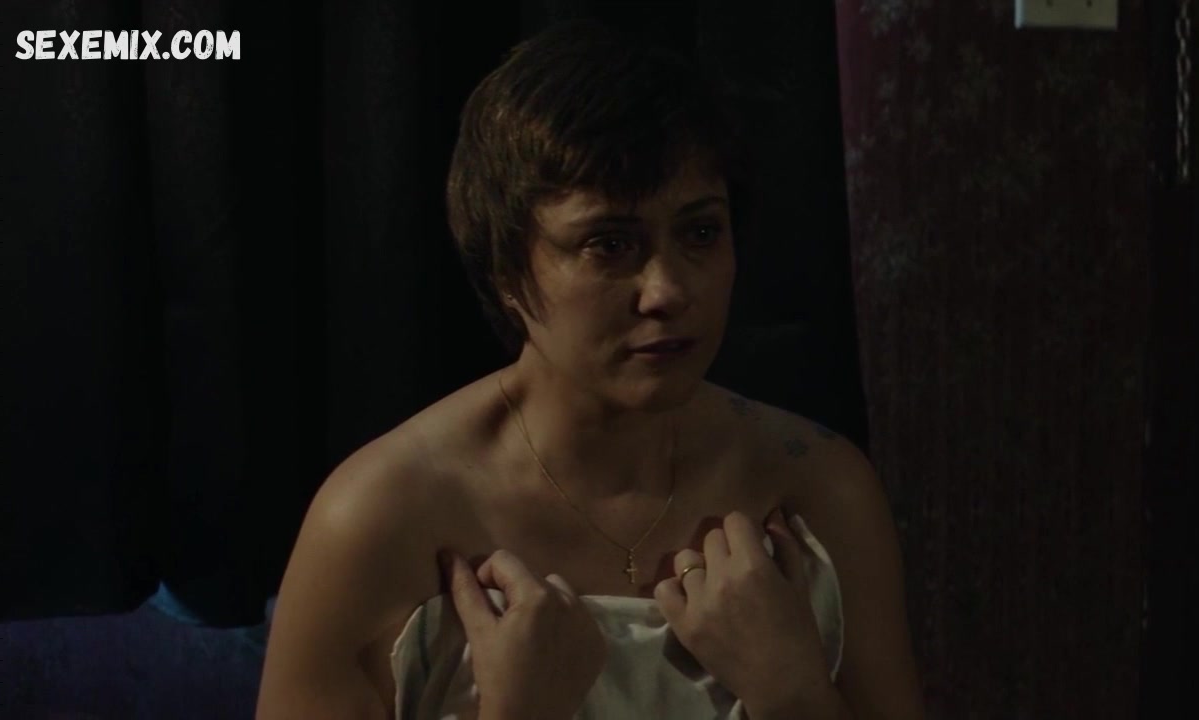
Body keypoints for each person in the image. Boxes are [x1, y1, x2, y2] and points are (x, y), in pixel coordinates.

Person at [256, 19, 923, 719]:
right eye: (608, 244)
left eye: (700, 232)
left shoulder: (820, 491)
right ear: (506, 269)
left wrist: (795, 694)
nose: (667, 291)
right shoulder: (378, 519)